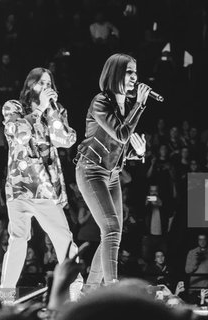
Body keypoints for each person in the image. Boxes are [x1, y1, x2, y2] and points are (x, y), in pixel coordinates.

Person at [75, 53, 150, 287]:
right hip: (91, 171)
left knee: (113, 233)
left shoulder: (124, 106)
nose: (134, 77)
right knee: (111, 228)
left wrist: (137, 152)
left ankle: (90, 289)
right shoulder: (100, 102)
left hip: (112, 174)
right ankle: (112, 287)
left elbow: (118, 147)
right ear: (115, 73)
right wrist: (139, 105)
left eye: (135, 72)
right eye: (129, 72)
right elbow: (120, 133)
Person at [0, 67, 78, 289]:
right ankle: (5, 295)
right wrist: (40, 109)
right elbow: (18, 133)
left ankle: (74, 289)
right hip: (19, 186)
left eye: (49, 83)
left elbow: (65, 140)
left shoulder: (55, 111)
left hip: (45, 188)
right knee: (18, 240)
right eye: (41, 83)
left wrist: (52, 111)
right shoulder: (13, 107)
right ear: (31, 85)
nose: (46, 87)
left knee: (63, 237)